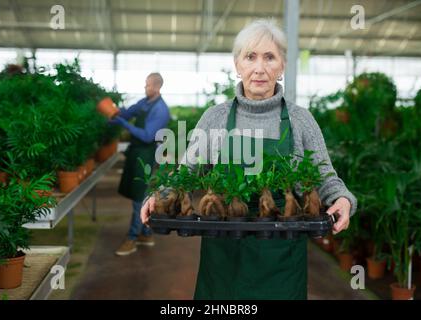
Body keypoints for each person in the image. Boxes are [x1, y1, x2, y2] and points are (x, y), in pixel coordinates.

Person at [141, 19, 357, 299]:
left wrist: (342, 198)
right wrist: (160, 197)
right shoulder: (215, 118)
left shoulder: (300, 120)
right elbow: (187, 172)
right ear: (237, 64)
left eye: (269, 57)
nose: (259, 67)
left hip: (281, 248)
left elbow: (324, 175)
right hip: (225, 251)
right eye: (250, 56)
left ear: (282, 67)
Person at [111, 72, 170, 256]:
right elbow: (130, 112)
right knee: (139, 193)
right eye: (145, 85)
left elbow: (146, 135)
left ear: (157, 87)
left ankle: (132, 238)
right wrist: (116, 113)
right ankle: (146, 234)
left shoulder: (161, 109)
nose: (145, 88)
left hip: (147, 154)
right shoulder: (145, 102)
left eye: (148, 85)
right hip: (136, 152)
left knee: (139, 196)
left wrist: (124, 124)